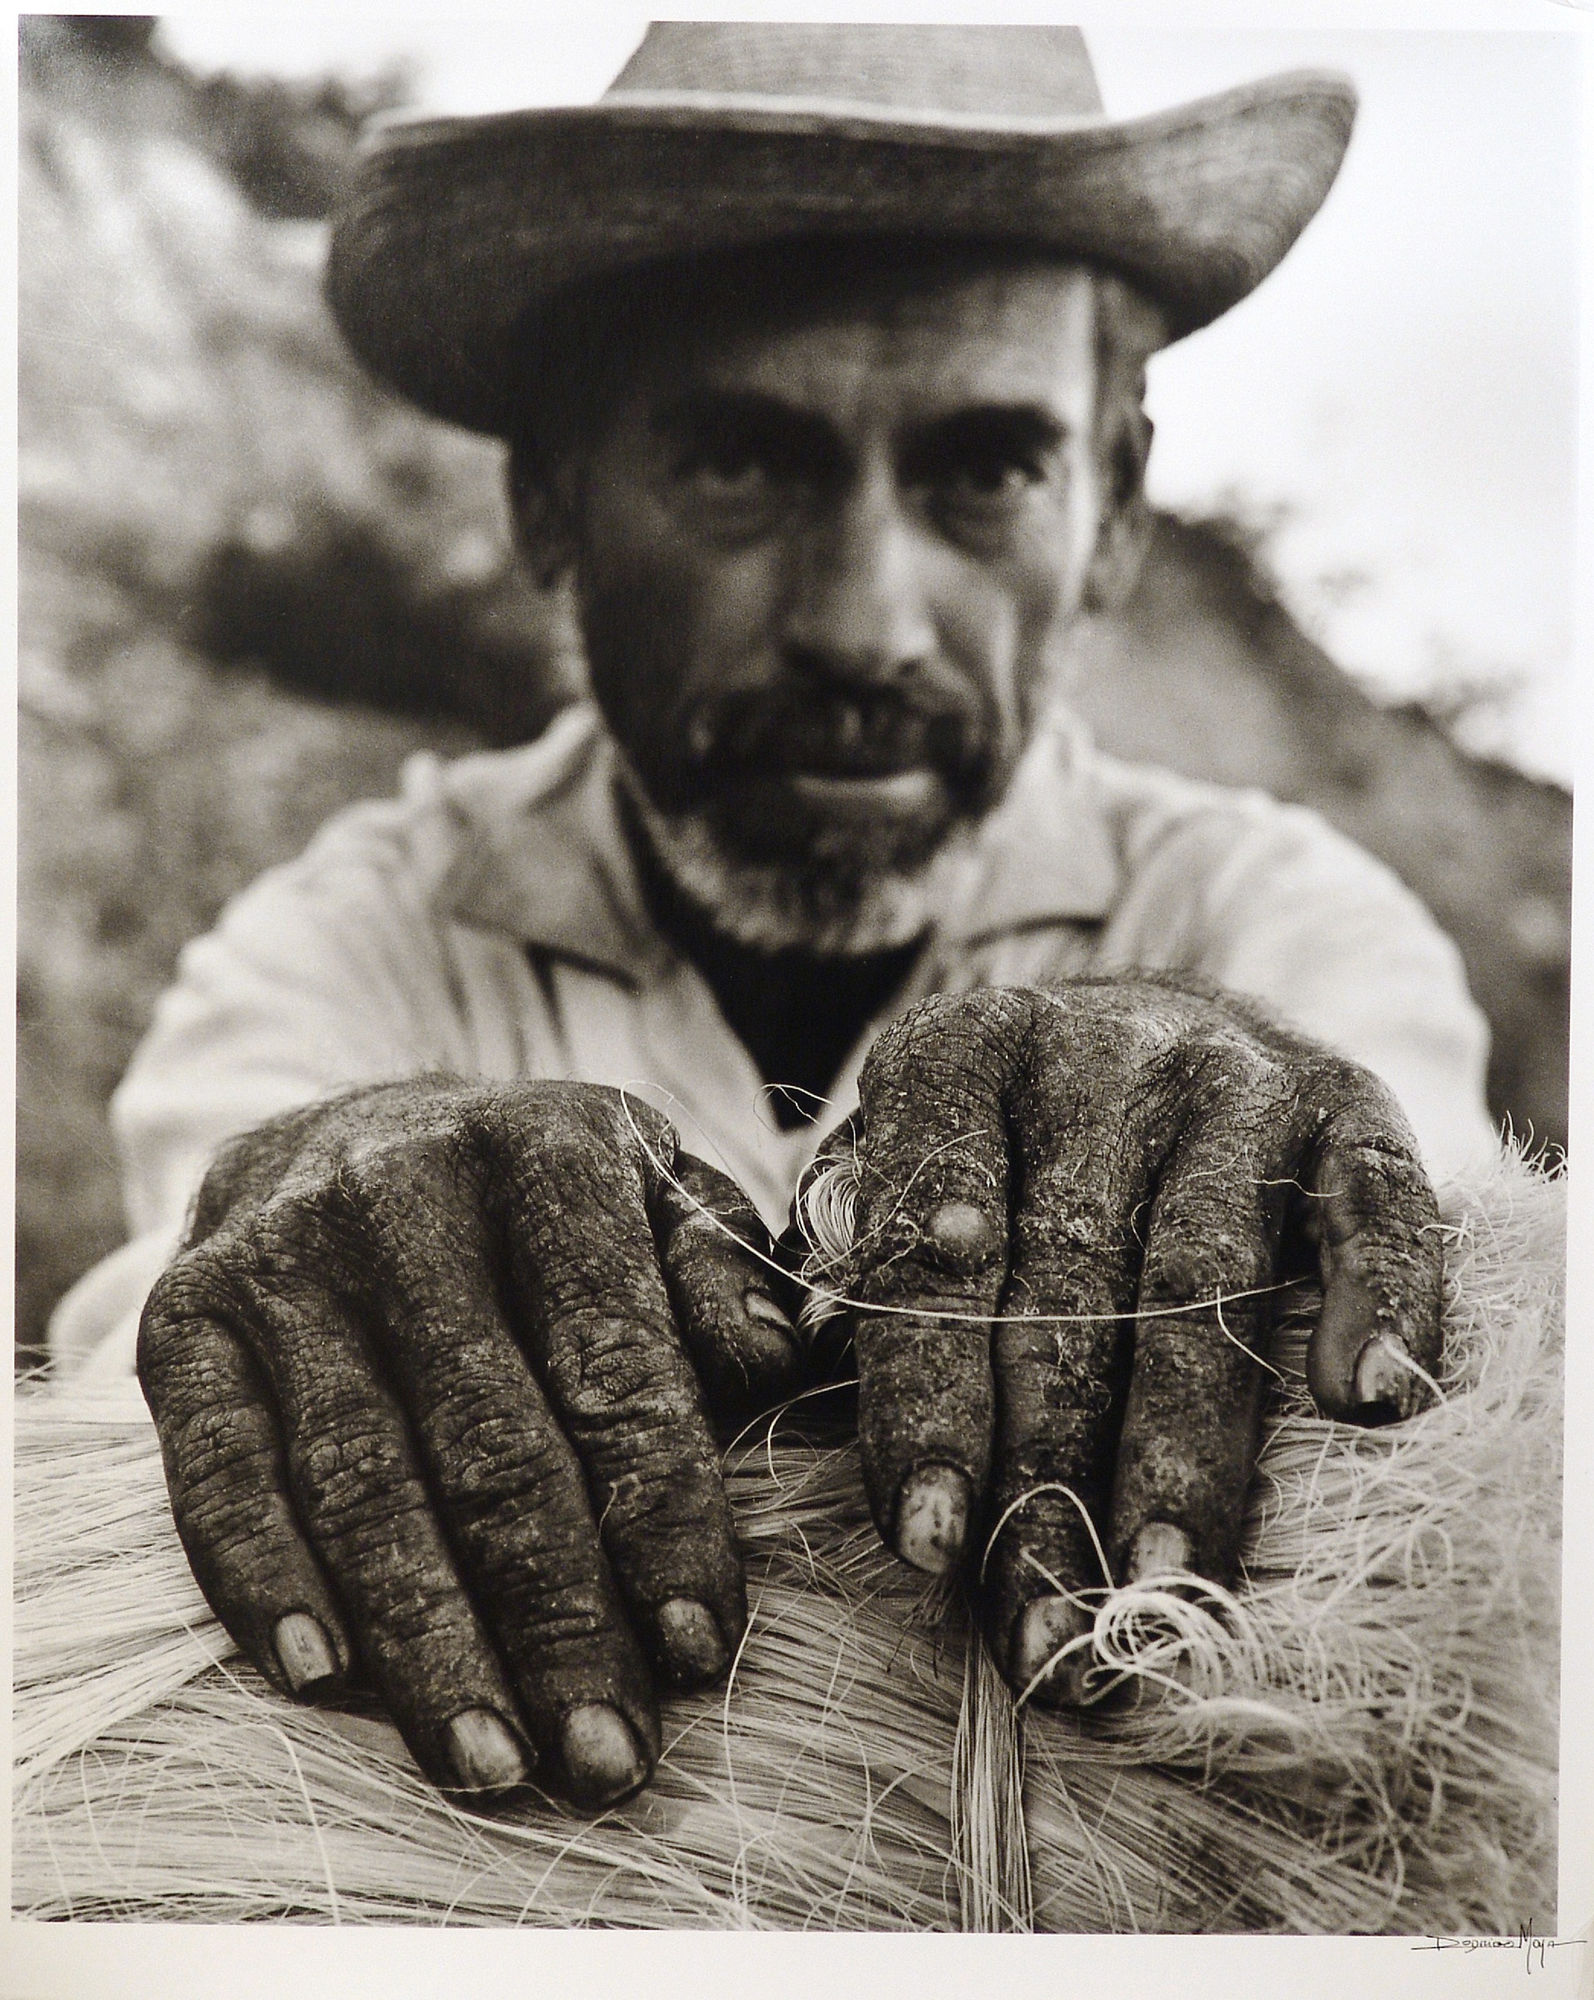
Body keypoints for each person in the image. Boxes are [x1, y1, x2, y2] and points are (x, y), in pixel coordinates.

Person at [50, 23, 1496, 1813]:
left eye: (987, 473)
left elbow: (1455, 1335)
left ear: (1114, 511)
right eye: (742, 466)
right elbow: (143, 1383)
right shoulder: (346, 941)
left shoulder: (1275, 915)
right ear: (550, 504)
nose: (868, 624)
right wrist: (308, 1238)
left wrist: (1265, 1132)